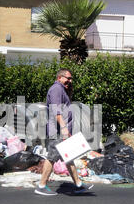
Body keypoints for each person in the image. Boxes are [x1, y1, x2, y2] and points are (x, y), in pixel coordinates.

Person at [35, 68, 93, 196]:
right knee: (52, 158)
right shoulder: (56, 89)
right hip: (57, 131)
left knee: (69, 157)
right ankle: (41, 185)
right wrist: (63, 127)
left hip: (60, 130)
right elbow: (56, 110)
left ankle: (78, 185)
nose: (70, 81)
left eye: (71, 78)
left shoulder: (62, 90)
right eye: (68, 78)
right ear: (59, 78)